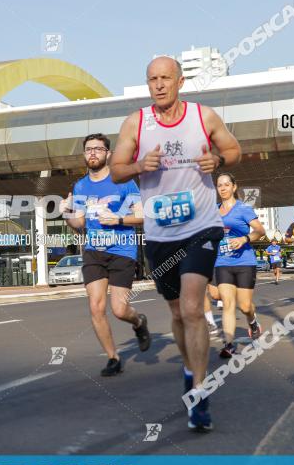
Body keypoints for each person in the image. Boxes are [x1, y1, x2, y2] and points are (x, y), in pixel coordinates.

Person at [111, 56, 241, 432]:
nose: (159, 84)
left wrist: (216, 159)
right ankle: (189, 370)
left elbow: (235, 152)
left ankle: (199, 392)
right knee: (177, 312)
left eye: (166, 78)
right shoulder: (137, 122)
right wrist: (139, 166)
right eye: (152, 79)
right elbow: (117, 169)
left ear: (180, 81)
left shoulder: (204, 117)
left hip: (201, 227)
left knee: (191, 307)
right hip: (159, 235)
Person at [63, 133, 150, 377]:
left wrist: (119, 219)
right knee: (96, 307)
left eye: (98, 149)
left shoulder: (123, 181)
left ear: (108, 154)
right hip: (94, 251)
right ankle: (113, 358)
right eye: (88, 149)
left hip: (122, 249)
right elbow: (78, 223)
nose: (93, 153)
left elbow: (142, 215)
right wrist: (67, 213)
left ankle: (139, 322)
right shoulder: (80, 186)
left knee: (120, 309)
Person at [208, 174, 265, 359]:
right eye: (219, 185)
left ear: (234, 187)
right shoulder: (213, 211)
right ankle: (229, 344)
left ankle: (253, 321)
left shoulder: (243, 209)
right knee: (228, 304)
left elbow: (260, 231)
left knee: (245, 306)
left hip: (244, 262)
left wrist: (244, 238)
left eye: (226, 185)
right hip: (222, 262)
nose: (222, 188)